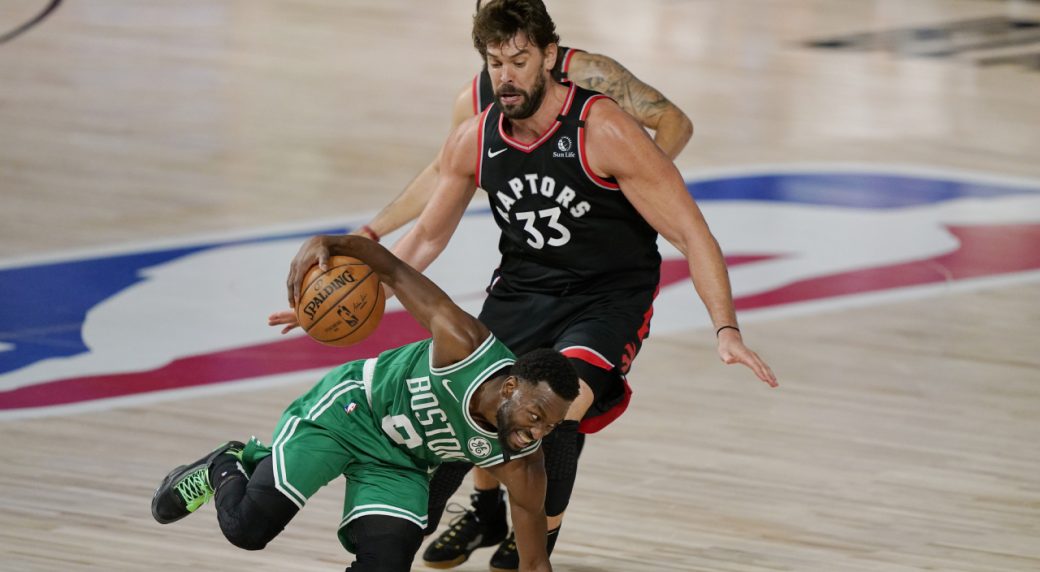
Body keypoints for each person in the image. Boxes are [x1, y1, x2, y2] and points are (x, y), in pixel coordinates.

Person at [279, 1, 777, 570]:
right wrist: (354, 291)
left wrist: (726, 328)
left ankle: (534, 548)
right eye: (496, 64)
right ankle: (408, 546)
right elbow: (427, 238)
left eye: (518, 61)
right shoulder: (475, 136)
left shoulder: (603, 127)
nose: (506, 76)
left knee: (550, 410)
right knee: (453, 414)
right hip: (521, 290)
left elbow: (693, 233)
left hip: (606, 297)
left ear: (548, 57)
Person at [152, 235, 580, 572]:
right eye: (535, 416)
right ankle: (224, 464)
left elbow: (534, 563)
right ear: (510, 388)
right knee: (248, 529)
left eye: (549, 427)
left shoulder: (524, 461)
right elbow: (392, 268)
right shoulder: (464, 345)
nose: (537, 433)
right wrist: (329, 243)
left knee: (387, 565)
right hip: (348, 415)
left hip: (401, 464)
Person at [343, 0, 693, 245]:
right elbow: (441, 171)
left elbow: (673, 120)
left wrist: (639, 188)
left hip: (607, 242)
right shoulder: (473, 99)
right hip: (541, 250)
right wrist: (373, 231)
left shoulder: (587, 72)